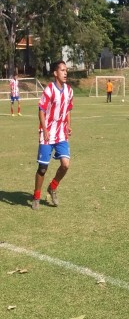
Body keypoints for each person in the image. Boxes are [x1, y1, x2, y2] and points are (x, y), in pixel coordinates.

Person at [32, 61, 73, 210]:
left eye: (66, 70)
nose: (65, 73)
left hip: (61, 133)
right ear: (55, 73)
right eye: (62, 70)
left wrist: (68, 124)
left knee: (65, 164)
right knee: (42, 168)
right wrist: (45, 129)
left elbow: (68, 109)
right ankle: (36, 196)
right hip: (47, 133)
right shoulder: (49, 90)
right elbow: (41, 110)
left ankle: (53, 187)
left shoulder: (69, 91)